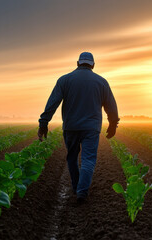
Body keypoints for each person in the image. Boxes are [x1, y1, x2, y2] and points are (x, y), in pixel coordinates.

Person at [37, 52, 119, 204]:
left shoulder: (64, 80)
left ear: (77, 63)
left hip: (71, 127)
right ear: (93, 65)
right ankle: (82, 192)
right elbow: (111, 106)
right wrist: (113, 124)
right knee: (88, 160)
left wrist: (43, 123)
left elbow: (52, 103)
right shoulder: (101, 82)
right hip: (91, 128)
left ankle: (76, 187)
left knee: (72, 157)